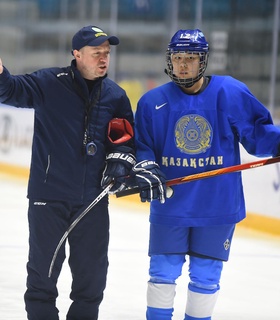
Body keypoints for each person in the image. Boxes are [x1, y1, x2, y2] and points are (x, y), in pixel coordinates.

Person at [131, 29, 280, 320]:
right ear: (169, 60)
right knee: (162, 272)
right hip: (170, 205)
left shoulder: (230, 93)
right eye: (177, 57)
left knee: (205, 278)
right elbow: (143, 147)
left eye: (190, 57)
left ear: (203, 61)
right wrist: (144, 165)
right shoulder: (151, 103)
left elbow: (259, 135)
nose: (183, 64)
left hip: (218, 206)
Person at [0, 25, 135, 320]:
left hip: (93, 202)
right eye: (96, 53)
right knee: (42, 280)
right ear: (76, 54)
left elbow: (125, 139)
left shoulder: (115, 96)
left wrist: (121, 162)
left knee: (92, 281)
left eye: (107, 53)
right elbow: (9, 90)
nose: (103, 59)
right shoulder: (49, 83)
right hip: (48, 199)